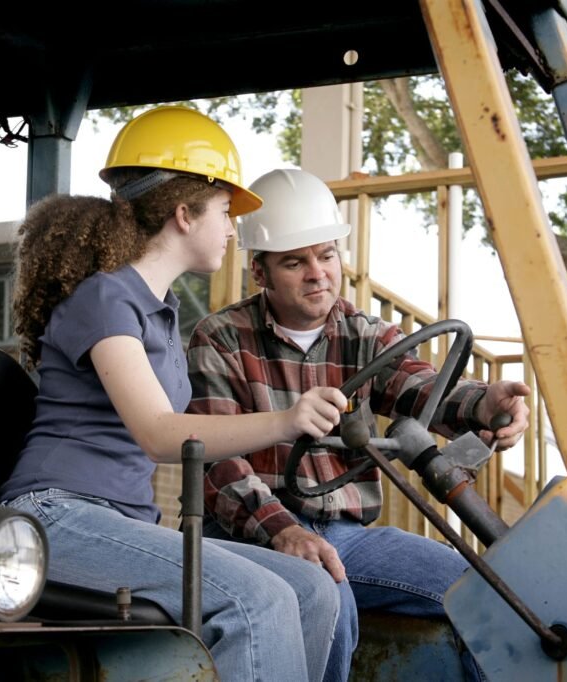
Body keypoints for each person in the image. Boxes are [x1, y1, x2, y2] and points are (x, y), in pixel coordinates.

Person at [0, 109, 349, 682]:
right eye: (225, 213)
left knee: (309, 587)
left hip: (118, 519)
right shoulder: (105, 300)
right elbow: (162, 433)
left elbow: (193, 430)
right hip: (51, 521)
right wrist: (286, 420)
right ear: (184, 215)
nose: (233, 230)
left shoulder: (160, 315)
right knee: (257, 600)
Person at [187, 167, 531, 681]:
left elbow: (422, 390)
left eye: (326, 255)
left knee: (486, 590)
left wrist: (485, 403)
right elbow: (219, 462)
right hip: (251, 532)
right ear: (259, 272)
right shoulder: (220, 339)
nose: (317, 273)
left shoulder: (365, 333)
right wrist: (283, 532)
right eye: (294, 262)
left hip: (349, 534)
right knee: (326, 600)